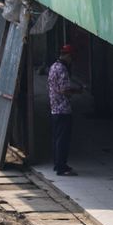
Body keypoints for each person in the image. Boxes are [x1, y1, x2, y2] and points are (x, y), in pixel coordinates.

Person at [48, 44, 82, 176]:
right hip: (63, 109)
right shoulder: (62, 69)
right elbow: (64, 90)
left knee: (57, 138)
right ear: (67, 56)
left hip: (54, 108)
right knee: (63, 139)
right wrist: (77, 91)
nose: (72, 60)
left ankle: (58, 164)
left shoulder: (53, 67)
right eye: (71, 57)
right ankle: (61, 167)